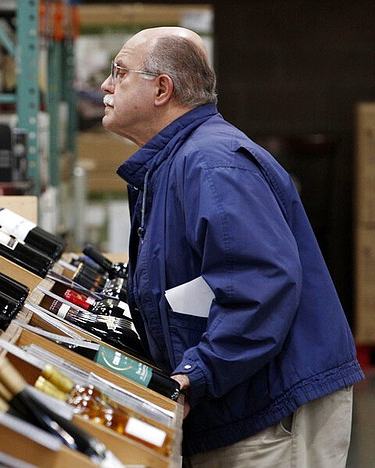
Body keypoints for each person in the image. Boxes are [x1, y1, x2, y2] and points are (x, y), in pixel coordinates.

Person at [100, 26, 364, 467]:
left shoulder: (211, 164)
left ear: (162, 88)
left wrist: (196, 373)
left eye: (119, 72)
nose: (106, 86)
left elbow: (260, 284)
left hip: (271, 406)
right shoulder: (172, 163)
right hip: (237, 394)